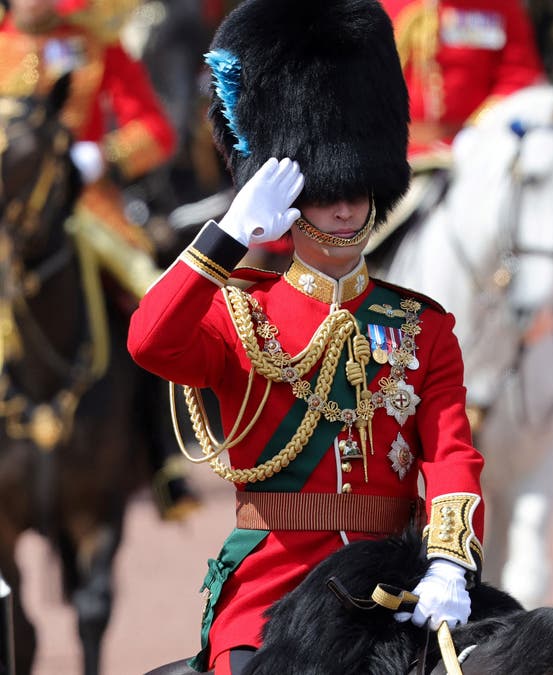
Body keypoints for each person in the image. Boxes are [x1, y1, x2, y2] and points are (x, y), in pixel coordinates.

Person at [127, 1, 485, 673]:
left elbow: (451, 456)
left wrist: (449, 562)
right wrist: (227, 235)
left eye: (355, 189)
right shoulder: (240, 313)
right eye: (324, 192)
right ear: (292, 201)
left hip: (398, 583)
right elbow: (151, 340)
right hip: (276, 588)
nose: (346, 206)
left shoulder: (423, 326)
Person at [377, 0, 553, 427]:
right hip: (401, 157)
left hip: (479, 154)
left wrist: (480, 136)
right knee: (345, 240)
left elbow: (520, 79)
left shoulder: (498, 7)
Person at [0, 0, 202, 520]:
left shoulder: (96, 44)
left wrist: (100, 155)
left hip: (88, 205)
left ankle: (161, 459)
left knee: (153, 295)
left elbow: (155, 131)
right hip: (10, 210)